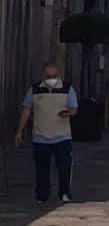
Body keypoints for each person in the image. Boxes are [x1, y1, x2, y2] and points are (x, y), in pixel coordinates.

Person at [15, 61, 78, 205]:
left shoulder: (67, 89)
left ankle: (64, 193)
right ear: (43, 75)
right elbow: (26, 110)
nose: (51, 78)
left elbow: (74, 109)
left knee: (64, 168)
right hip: (40, 137)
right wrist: (19, 131)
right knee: (41, 169)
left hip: (62, 137)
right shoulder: (35, 89)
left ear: (58, 74)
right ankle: (42, 195)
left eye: (54, 75)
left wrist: (68, 113)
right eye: (49, 75)